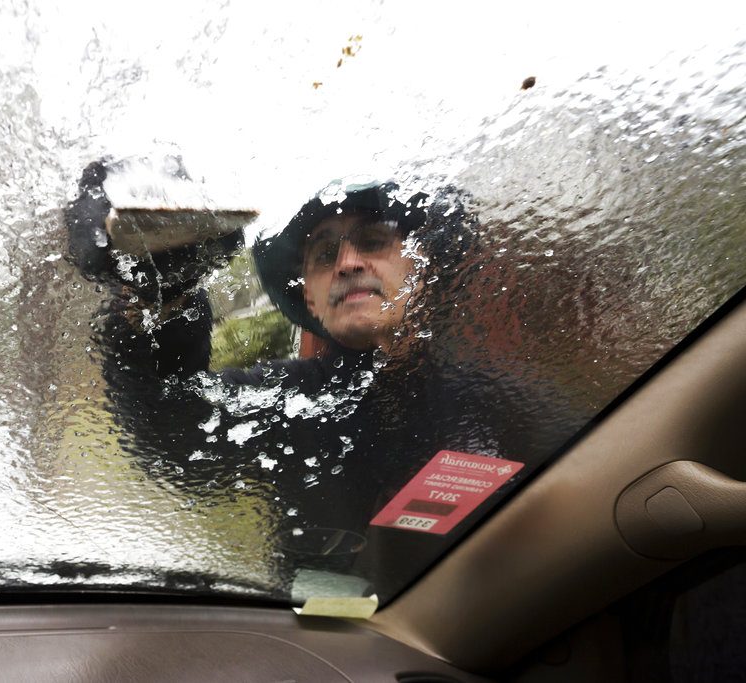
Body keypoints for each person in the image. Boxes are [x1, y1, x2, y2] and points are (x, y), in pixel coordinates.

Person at [67, 163, 583, 594]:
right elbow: (173, 438)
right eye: (323, 255)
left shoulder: (503, 403)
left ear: (425, 270)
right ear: (309, 297)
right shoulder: (285, 398)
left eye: (373, 240)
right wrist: (158, 297)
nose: (347, 263)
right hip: (319, 646)